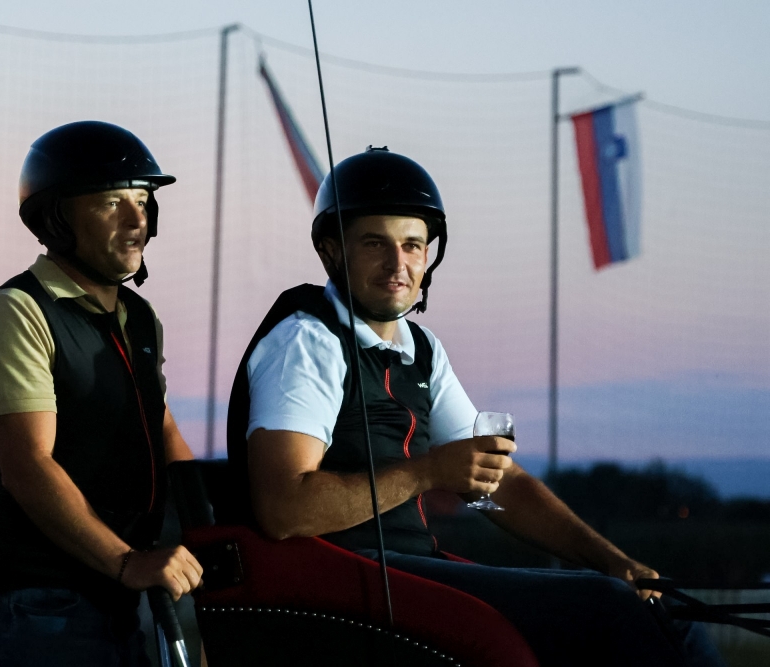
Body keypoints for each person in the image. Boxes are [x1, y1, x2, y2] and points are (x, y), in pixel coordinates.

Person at [227, 146, 723, 667]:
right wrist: (429, 472)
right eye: (375, 243)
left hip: (405, 569)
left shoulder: (420, 348)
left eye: (413, 245)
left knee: (657, 609)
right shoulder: (306, 342)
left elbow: (495, 485)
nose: (398, 264)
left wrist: (613, 562)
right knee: (610, 613)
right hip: (339, 580)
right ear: (331, 251)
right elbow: (284, 509)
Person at [0, 121, 203, 667]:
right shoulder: (17, 312)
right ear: (58, 218)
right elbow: (28, 465)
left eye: (143, 201)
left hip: (118, 595)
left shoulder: (139, 317)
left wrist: (221, 532)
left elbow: (161, 429)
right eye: (113, 203)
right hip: (38, 604)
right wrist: (126, 561)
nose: (137, 219)